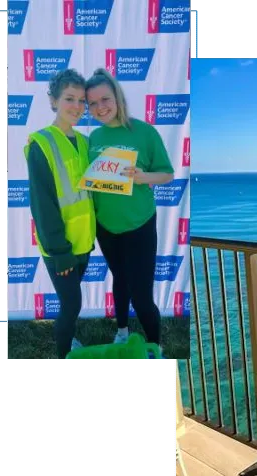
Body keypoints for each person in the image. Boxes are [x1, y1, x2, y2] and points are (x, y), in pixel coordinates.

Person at [85, 69, 174, 354]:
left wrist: (143, 177)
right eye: (93, 103)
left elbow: (167, 174)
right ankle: (122, 331)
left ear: (118, 97)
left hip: (139, 225)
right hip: (105, 226)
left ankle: (155, 346)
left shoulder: (144, 131)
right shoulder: (93, 137)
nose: (100, 108)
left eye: (105, 99)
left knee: (142, 295)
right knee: (119, 280)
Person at [26, 69, 95, 360]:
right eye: (69, 99)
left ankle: (69, 342)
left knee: (71, 301)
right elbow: (42, 205)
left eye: (82, 100)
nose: (77, 106)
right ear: (54, 101)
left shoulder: (84, 142)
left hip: (83, 241)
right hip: (61, 247)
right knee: (71, 304)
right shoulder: (41, 143)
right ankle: (64, 353)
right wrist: (60, 251)